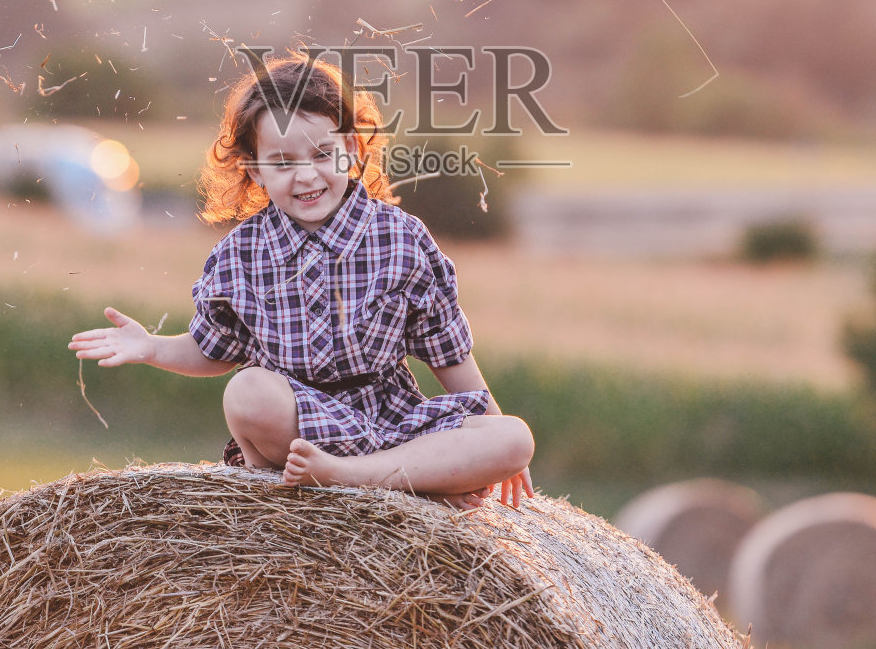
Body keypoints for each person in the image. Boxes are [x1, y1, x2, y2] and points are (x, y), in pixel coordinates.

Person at [69, 54, 535, 510]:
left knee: (513, 436)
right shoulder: (240, 254)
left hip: (392, 421)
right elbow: (211, 351)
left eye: (322, 154)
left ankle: (354, 477)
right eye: (283, 161)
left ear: (352, 149)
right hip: (298, 423)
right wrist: (150, 346)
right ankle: (411, 480)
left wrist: (493, 435)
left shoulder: (401, 239)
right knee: (246, 390)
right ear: (254, 171)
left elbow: (447, 351)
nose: (306, 175)